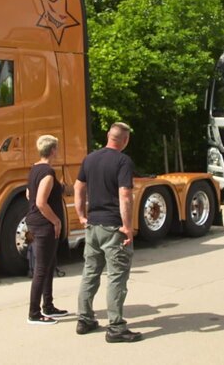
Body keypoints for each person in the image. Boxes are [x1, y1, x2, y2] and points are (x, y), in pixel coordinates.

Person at [74, 122, 142, 343]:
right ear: (126, 140)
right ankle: (116, 327)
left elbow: (78, 187)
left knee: (90, 272)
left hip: (93, 226)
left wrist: (82, 215)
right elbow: (124, 195)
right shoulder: (123, 161)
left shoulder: (90, 158)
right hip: (113, 227)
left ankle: (84, 319)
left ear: (108, 136)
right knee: (116, 277)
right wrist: (127, 226)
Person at [26, 135, 68, 325]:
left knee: (49, 264)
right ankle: (34, 313)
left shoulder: (34, 169)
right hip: (44, 225)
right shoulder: (48, 172)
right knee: (41, 269)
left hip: (36, 222)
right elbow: (40, 202)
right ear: (52, 150)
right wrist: (56, 221)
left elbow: (29, 193)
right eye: (57, 149)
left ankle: (48, 306)